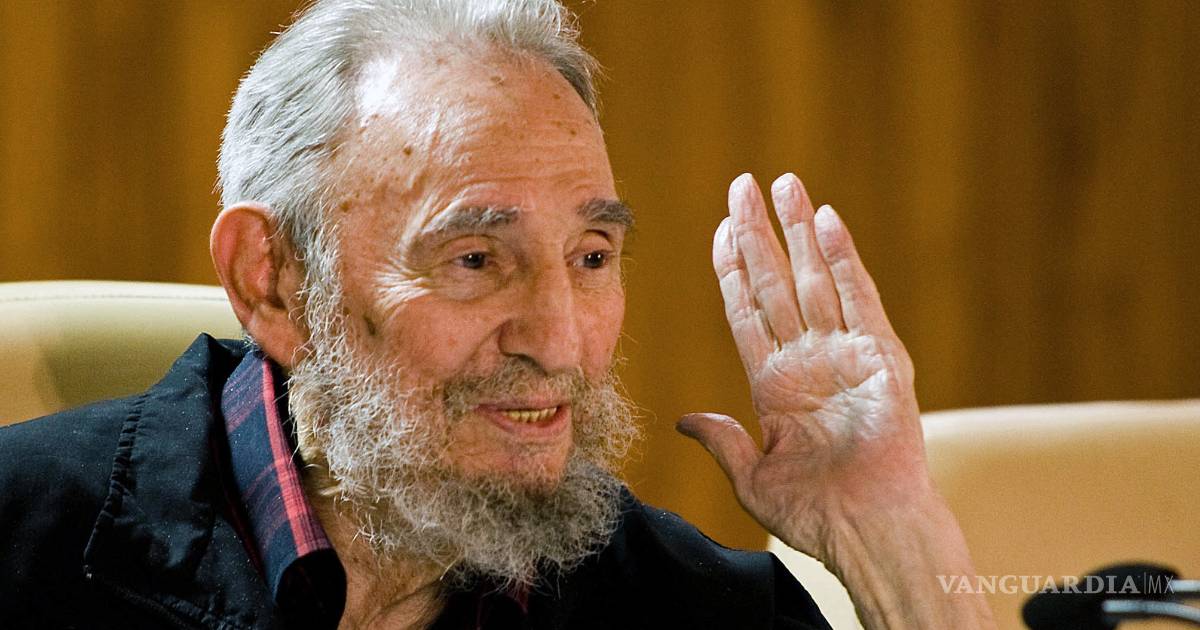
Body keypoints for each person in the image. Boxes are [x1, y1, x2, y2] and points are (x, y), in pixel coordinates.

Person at [0, 0, 996, 628]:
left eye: (592, 257)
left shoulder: (688, 608)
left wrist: (895, 545)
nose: (561, 342)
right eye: (476, 260)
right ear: (274, 280)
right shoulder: (18, 541)